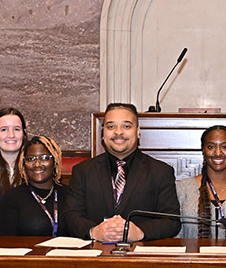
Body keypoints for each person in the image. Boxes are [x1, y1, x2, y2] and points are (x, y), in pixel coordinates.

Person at [63, 102, 181, 242]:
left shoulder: (160, 172)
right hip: (94, 256)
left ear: (137, 132)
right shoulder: (83, 171)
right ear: (103, 133)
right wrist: (94, 231)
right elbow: (70, 216)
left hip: (140, 257)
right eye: (111, 126)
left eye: (126, 126)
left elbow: (171, 221)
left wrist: (140, 232)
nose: (118, 132)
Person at [0, 136, 65, 237]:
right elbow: (7, 243)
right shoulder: (12, 198)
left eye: (44, 158)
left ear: (55, 161)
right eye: (31, 159)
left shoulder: (70, 194)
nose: (37, 164)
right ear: (23, 164)